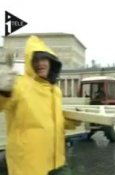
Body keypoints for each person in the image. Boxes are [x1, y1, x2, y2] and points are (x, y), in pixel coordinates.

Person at [0, 36, 80, 175]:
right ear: (29, 63)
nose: (39, 63)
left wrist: (72, 121)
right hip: (28, 166)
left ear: (51, 62)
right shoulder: (19, 84)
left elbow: (52, 120)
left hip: (56, 162)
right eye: (35, 60)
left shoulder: (55, 90)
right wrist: (3, 91)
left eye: (43, 59)